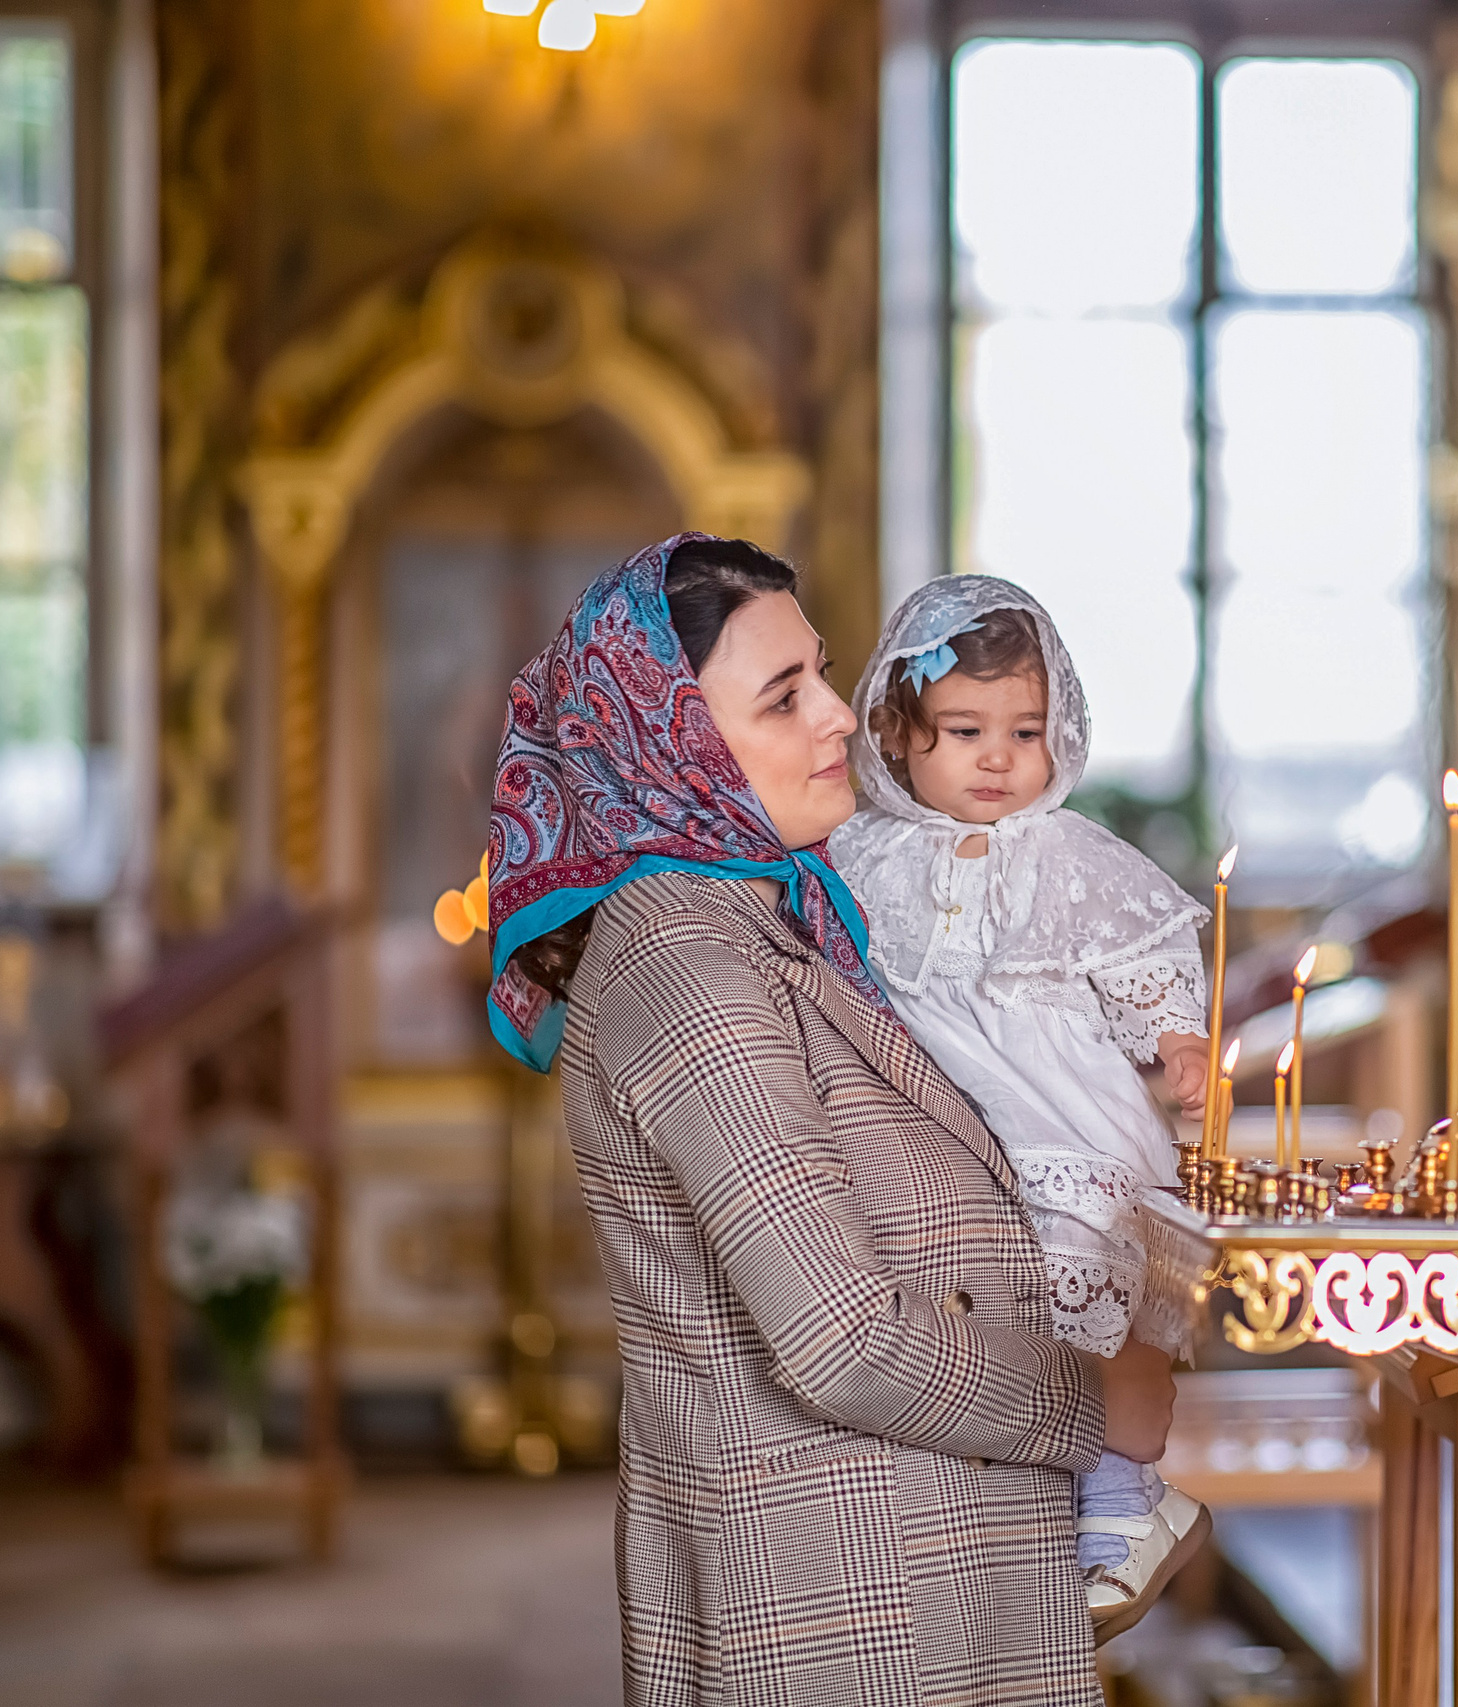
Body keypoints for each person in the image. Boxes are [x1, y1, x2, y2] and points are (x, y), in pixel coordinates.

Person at [485, 534, 1175, 1706]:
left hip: (918, 1583)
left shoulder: (778, 920)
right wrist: (1098, 1401)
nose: (838, 719)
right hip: (850, 1609)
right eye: (783, 695)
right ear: (674, 743)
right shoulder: (684, 963)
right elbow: (840, 1340)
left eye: (823, 674)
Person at [829, 575, 1213, 1637]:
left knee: (1099, 1268)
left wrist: (1175, 1041)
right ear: (898, 734)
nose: (998, 757)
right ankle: (1011, 1483)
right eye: (963, 730)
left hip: (1064, 1108)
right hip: (933, 1106)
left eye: (1025, 730)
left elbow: (1144, 952)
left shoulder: (1071, 855)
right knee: (960, 1293)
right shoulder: (857, 857)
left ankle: (1127, 1491)